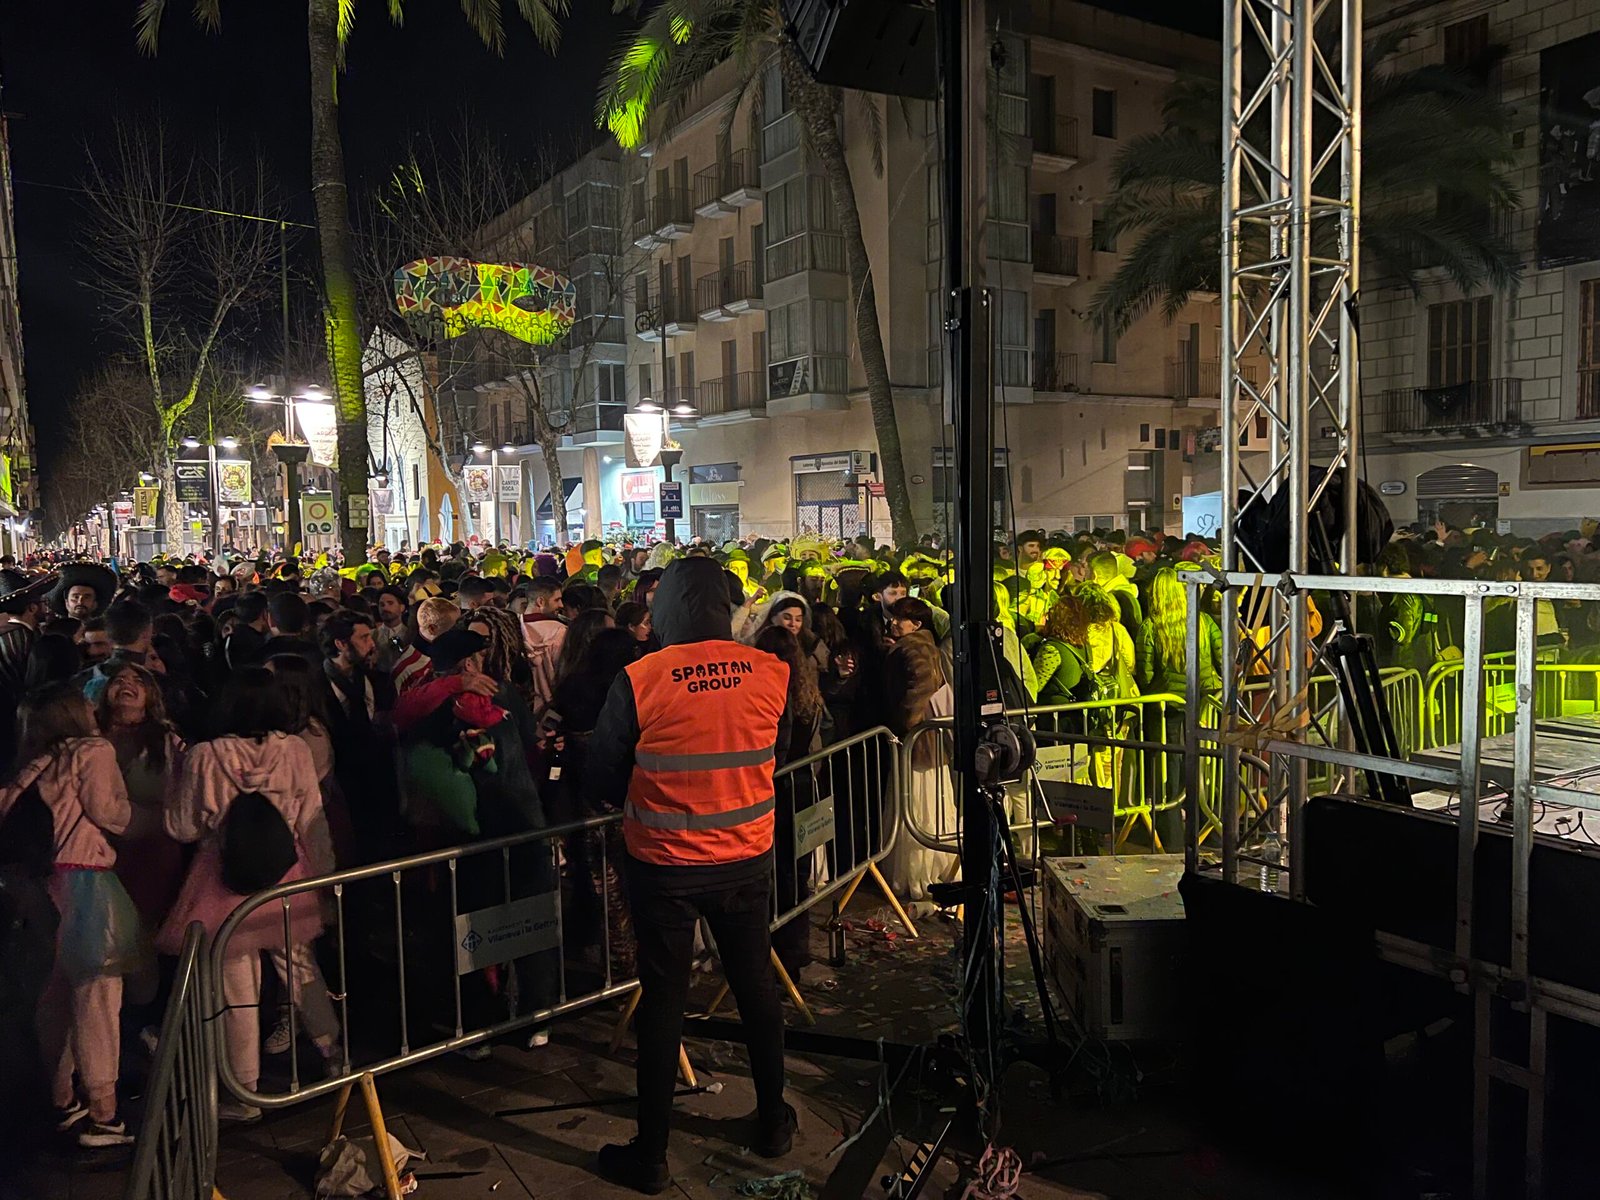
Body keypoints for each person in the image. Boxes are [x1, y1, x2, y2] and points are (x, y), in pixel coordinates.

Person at [586, 557, 797, 1192]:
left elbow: (602, 775)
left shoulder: (642, 678)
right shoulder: (771, 671)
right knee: (756, 988)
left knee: (665, 1003)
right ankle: (772, 1122)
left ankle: (650, 1154)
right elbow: (776, 752)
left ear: (669, 607)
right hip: (745, 857)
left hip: (664, 867)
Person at [159, 669, 341, 1122]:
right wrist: (323, 877)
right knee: (300, 966)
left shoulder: (204, 756)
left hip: (222, 879)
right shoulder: (294, 749)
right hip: (286, 875)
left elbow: (182, 826)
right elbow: (311, 821)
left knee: (237, 985)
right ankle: (335, 1054)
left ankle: (245, 1089)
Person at [1, 682, 139, 1148]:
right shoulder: (92, 751)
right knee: (97, 1001)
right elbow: (111, 813)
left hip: (38, 888)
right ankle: (106, 1116)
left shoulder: (31, 762)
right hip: (86, 884)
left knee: (53, 1000)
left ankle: (61, 1101)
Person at [94, 661, 186, 934]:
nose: (127, 684)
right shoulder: (89, 736)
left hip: (151, 850)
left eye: (137, 681)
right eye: (119, 680)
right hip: (99, 851)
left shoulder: (167, 740)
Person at [879, 596, 956, 903]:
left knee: (917, 804)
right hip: (929, 740)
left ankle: (917, 872)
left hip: (917, 742)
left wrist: (906, 725)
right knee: (929, 802)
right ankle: (936, 867)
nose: (894, 622)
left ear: (917, 624)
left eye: (901, 618)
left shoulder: (914, 648)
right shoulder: (923, 645)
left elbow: (921, 688)